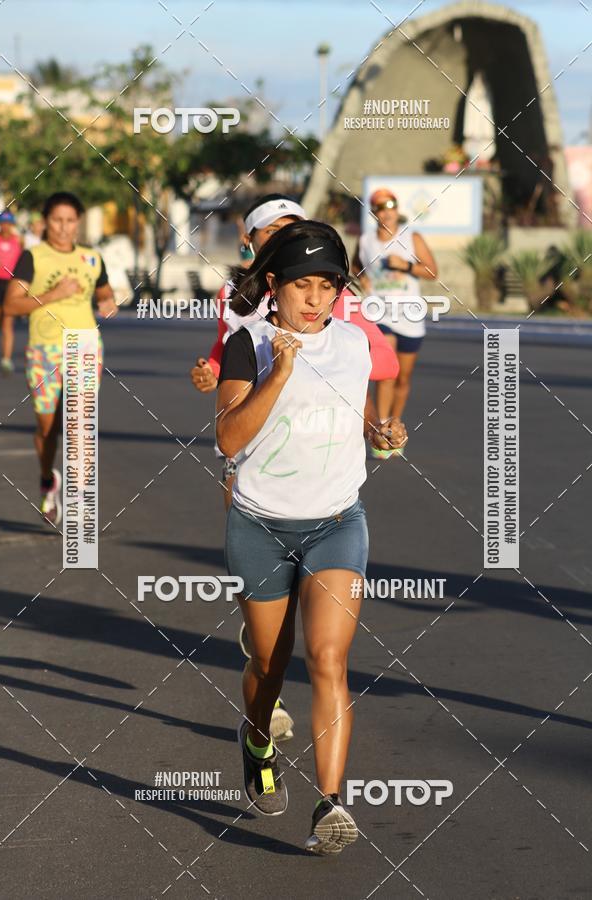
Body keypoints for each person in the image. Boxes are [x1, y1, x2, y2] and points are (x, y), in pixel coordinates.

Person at [216, 219, 407, 853]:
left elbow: (354, 420)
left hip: (335, 524)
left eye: (328, 286)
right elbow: (229, 438)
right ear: (274, 283)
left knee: (328, 660)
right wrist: (278, 374)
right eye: (303, 285)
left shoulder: (355, 344)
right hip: (261, 527)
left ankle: (331, 805)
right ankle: (255, 739)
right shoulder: (248, 345)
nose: (316, 299)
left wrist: (380, 437)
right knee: (269, 664)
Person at [191, 195, 399, 742]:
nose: (281, 237)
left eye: (291, 229)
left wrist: (379, 432)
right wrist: (214, 372)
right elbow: (224, 355)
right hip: (249, 461)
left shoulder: (331, 307)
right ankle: (264, 648)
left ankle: (325, 791)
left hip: (330, 497)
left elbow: (368, 372)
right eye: (271, 231)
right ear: (255, 243)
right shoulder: (238, 304)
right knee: (270, 636)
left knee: (322, 652)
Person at [4, 192, 117, 525]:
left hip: (84, 346)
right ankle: (46, 479)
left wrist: (108, 304)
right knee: (48, 427)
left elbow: (105, 293)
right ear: (45, 222)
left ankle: (79, 500)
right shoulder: (33, 257)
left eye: (70, 221)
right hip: (44, 348)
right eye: (57, 220)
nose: (64, 228)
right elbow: (12, 305)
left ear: (78, 222)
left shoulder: (92, 258)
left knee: (80, 425)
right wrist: (54, 294)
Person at [352, 188, 438, 454]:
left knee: (403, 377)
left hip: (410, 316)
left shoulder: (411, 238)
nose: (386, 212)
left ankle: (395, 426)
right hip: (379, 314)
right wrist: (360, 278)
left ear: (396, 210)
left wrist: (406, 266)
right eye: (380, 207)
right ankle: (382, 431)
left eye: (390, 206)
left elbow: (432, 272)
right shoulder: (366, 241)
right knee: (386, 373)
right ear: (374, 213)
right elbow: (355, 266)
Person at [0, 209, 23, 375]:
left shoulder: (18, 241)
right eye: (2, 223)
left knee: (7, 324)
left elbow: (23, 262)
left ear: (12, 225)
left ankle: (6, 360)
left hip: (11, 284)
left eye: (8, 223)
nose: (5, 226)